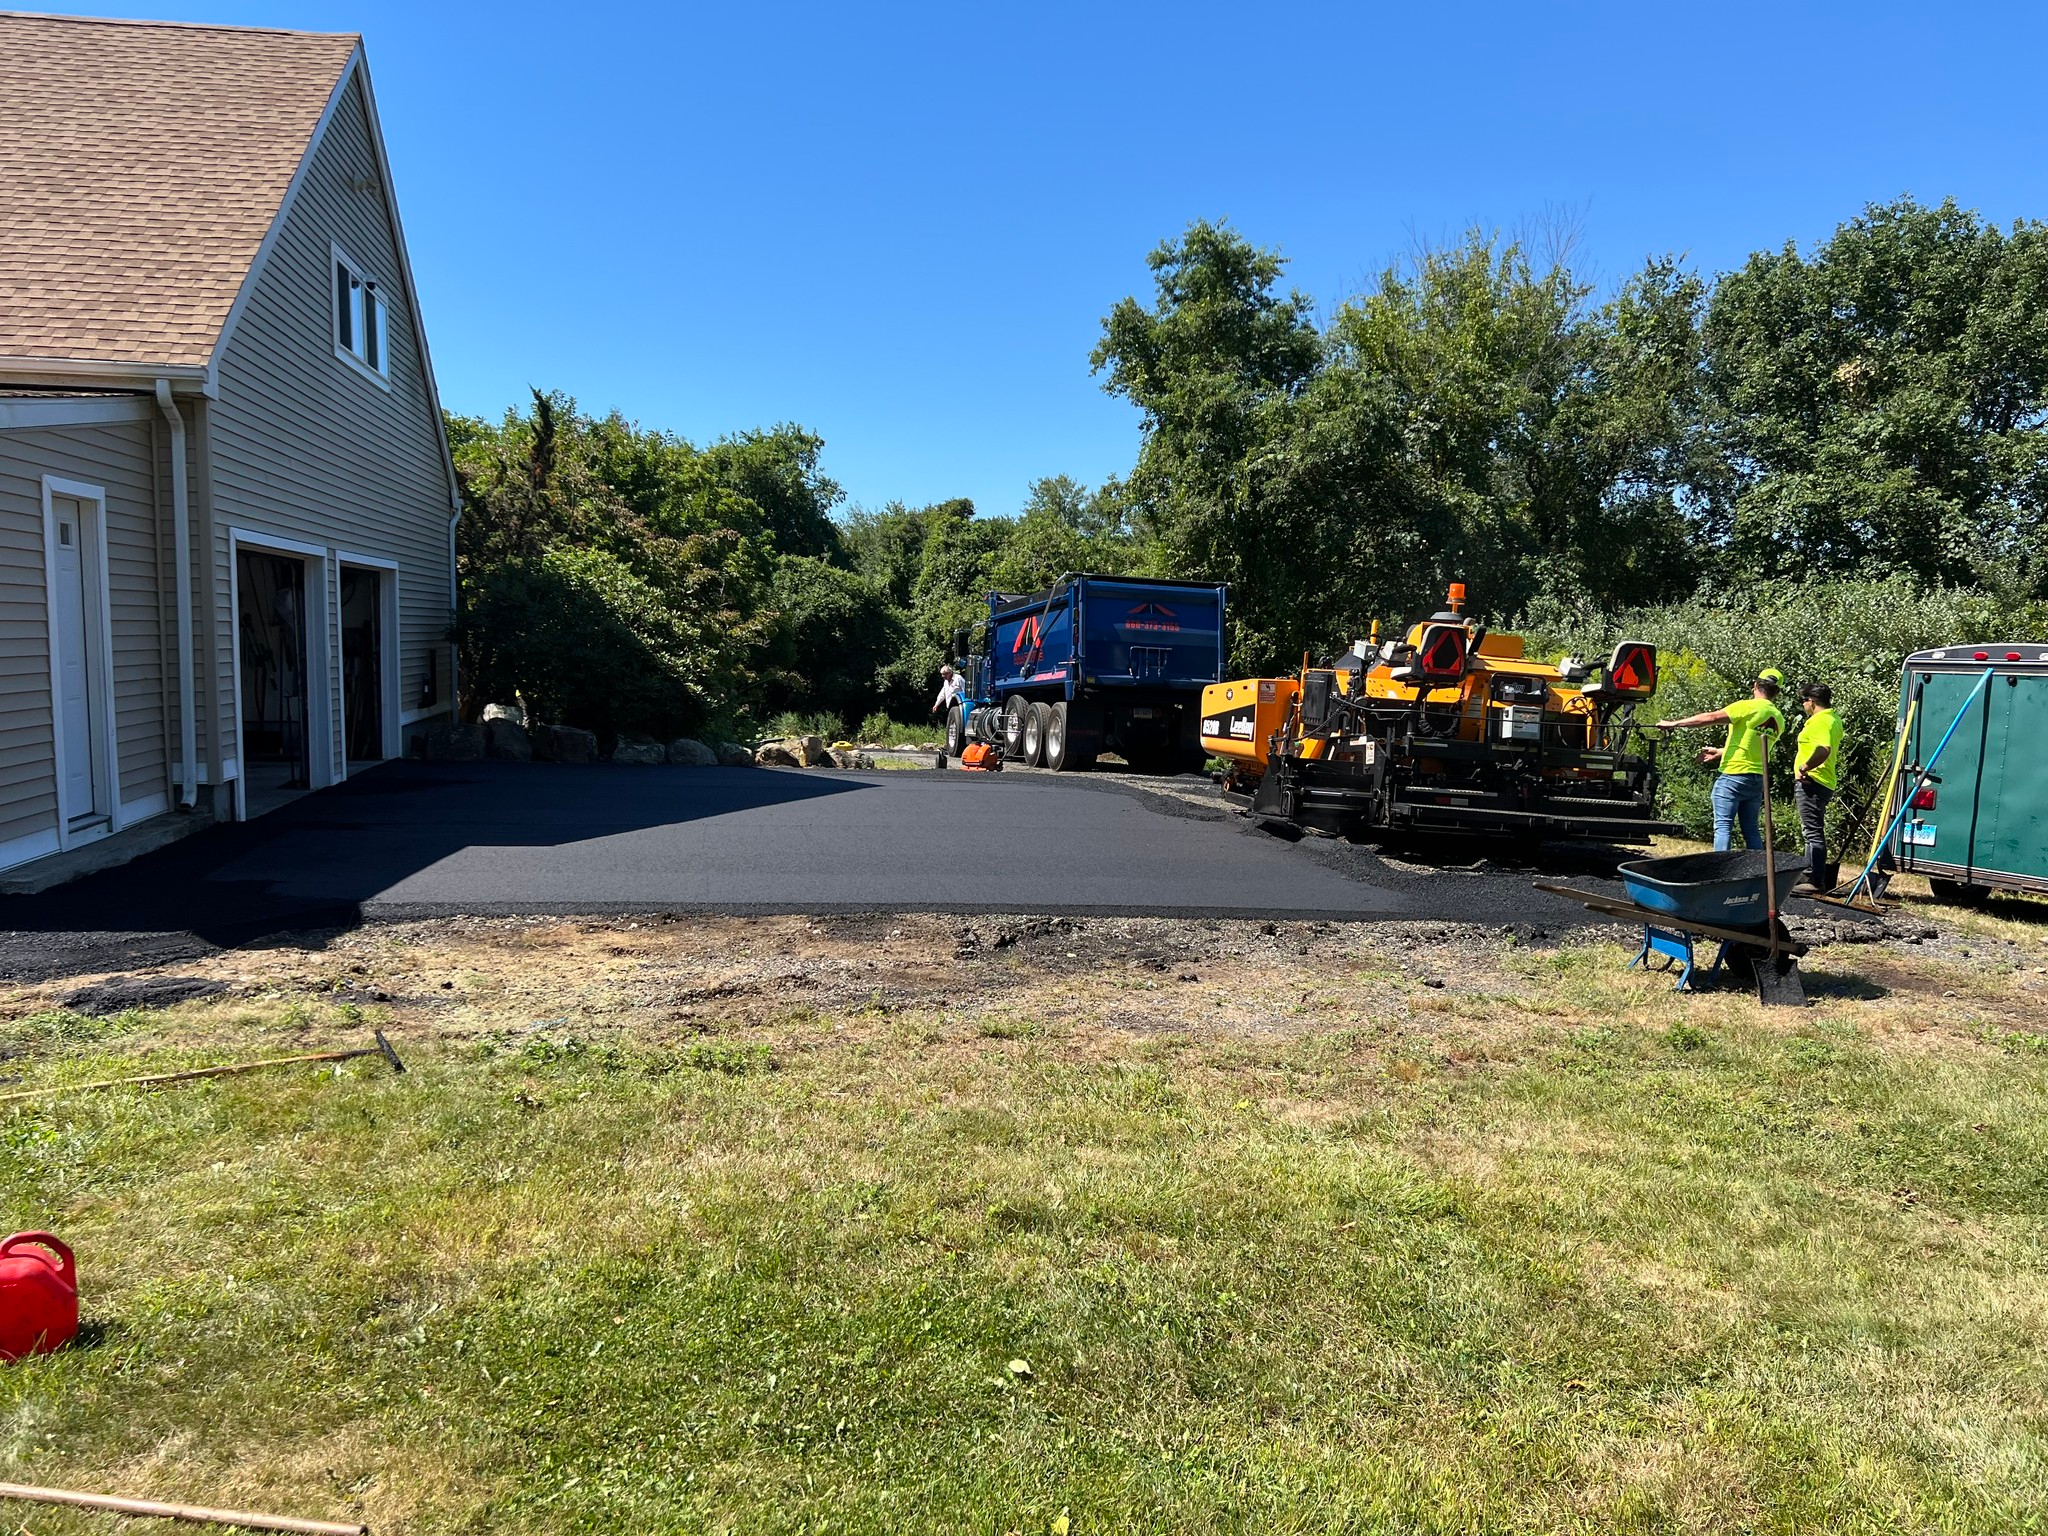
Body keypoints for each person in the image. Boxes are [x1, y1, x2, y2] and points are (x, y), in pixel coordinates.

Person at [1656, 668, 1787, 852]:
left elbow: (1711, 718)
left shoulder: (1747, 707)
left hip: (1733, 775)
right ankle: (1759, 868)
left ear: (1755, 685)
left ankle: (1721, 867)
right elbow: (1753, 745)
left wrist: (1674, 723)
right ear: (1777, 692)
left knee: (1723, 827)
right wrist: (1720, 752)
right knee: (1751, 830)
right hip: (1757, 779)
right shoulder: (1779, 719)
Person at [1790, 681, 1843, 894]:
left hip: (1812, 780)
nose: (1803, 705)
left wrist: (1805, 767)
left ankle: (1815, 880)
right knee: (1811, 830)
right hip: (1823, 780)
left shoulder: (1821, 721)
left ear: (1811, 701)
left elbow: (1823, 749)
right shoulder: (1833, 719)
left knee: (1812, 832)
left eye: (1803, 701)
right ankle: (1808, 875)